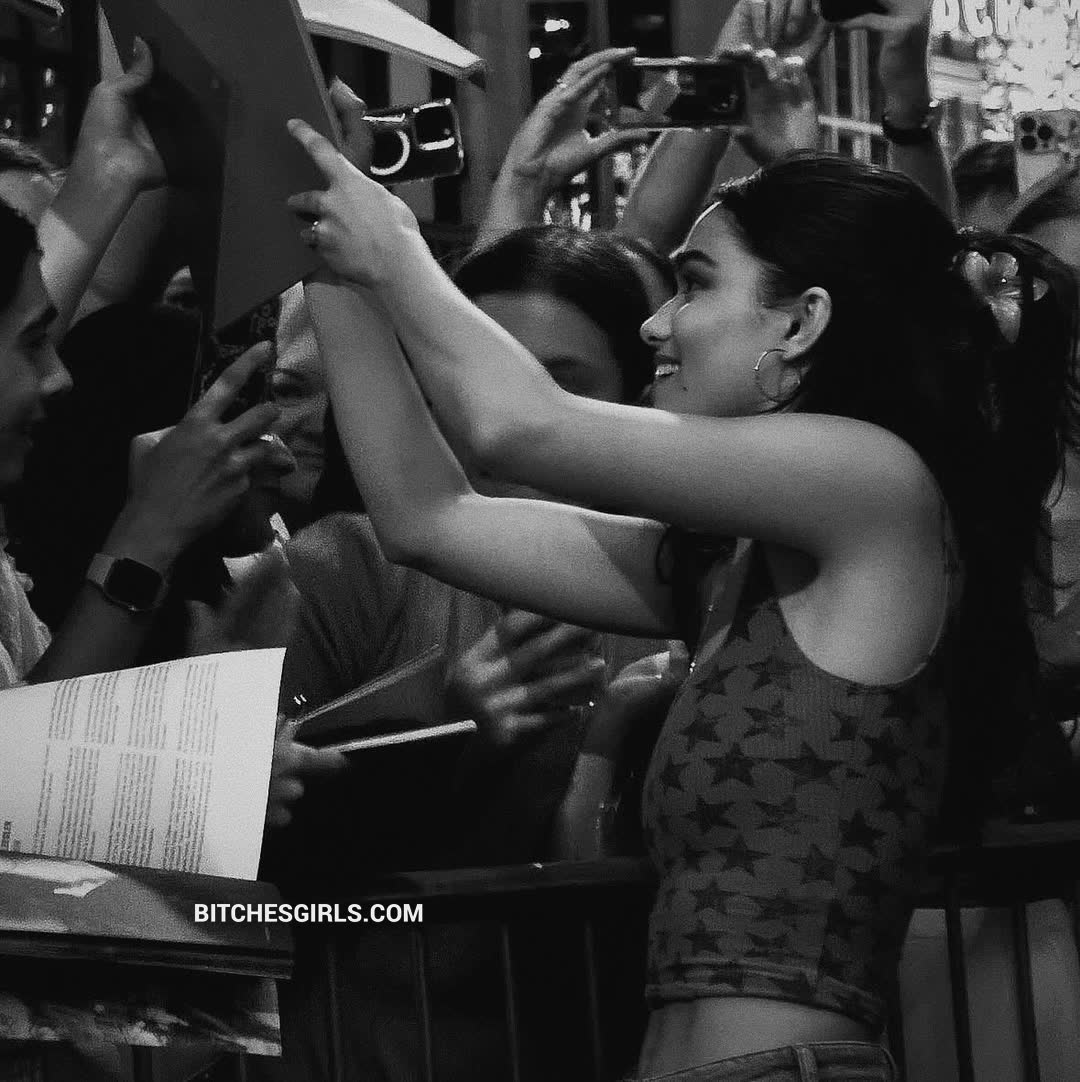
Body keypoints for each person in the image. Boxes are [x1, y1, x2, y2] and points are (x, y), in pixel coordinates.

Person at [288, 104, 1079, 1078]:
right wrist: (332, 256)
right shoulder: (736, 562)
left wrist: (397, 247)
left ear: (803, 322)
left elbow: (519, 425)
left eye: (695, 284)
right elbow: (427, 515)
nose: (654, 322)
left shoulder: (876, 480)